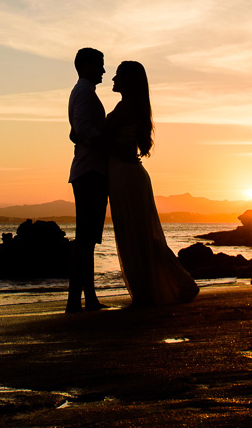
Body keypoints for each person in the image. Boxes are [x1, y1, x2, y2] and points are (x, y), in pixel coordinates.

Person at [105, 61, 199, 306]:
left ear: (128, 81)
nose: (113, 79)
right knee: (142, 235)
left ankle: (158, 290)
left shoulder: (126, 107)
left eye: (118, 75)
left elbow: (111, 143)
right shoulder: (133, 106)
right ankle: (164, 286)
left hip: (126, 176)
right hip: (128, 175)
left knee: (135, 235)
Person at [66, 47, 110, 313]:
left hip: (88, 170)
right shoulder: (83, 92)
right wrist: (108, 143)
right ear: (86, 66)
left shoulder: (83, 92)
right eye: (99, 65)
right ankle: (75, 300)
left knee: (88, 238)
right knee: (85, 238)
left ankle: (88, 298)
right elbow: (81, 128)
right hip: (89, 171)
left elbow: (76, 130)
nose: (103, 70)